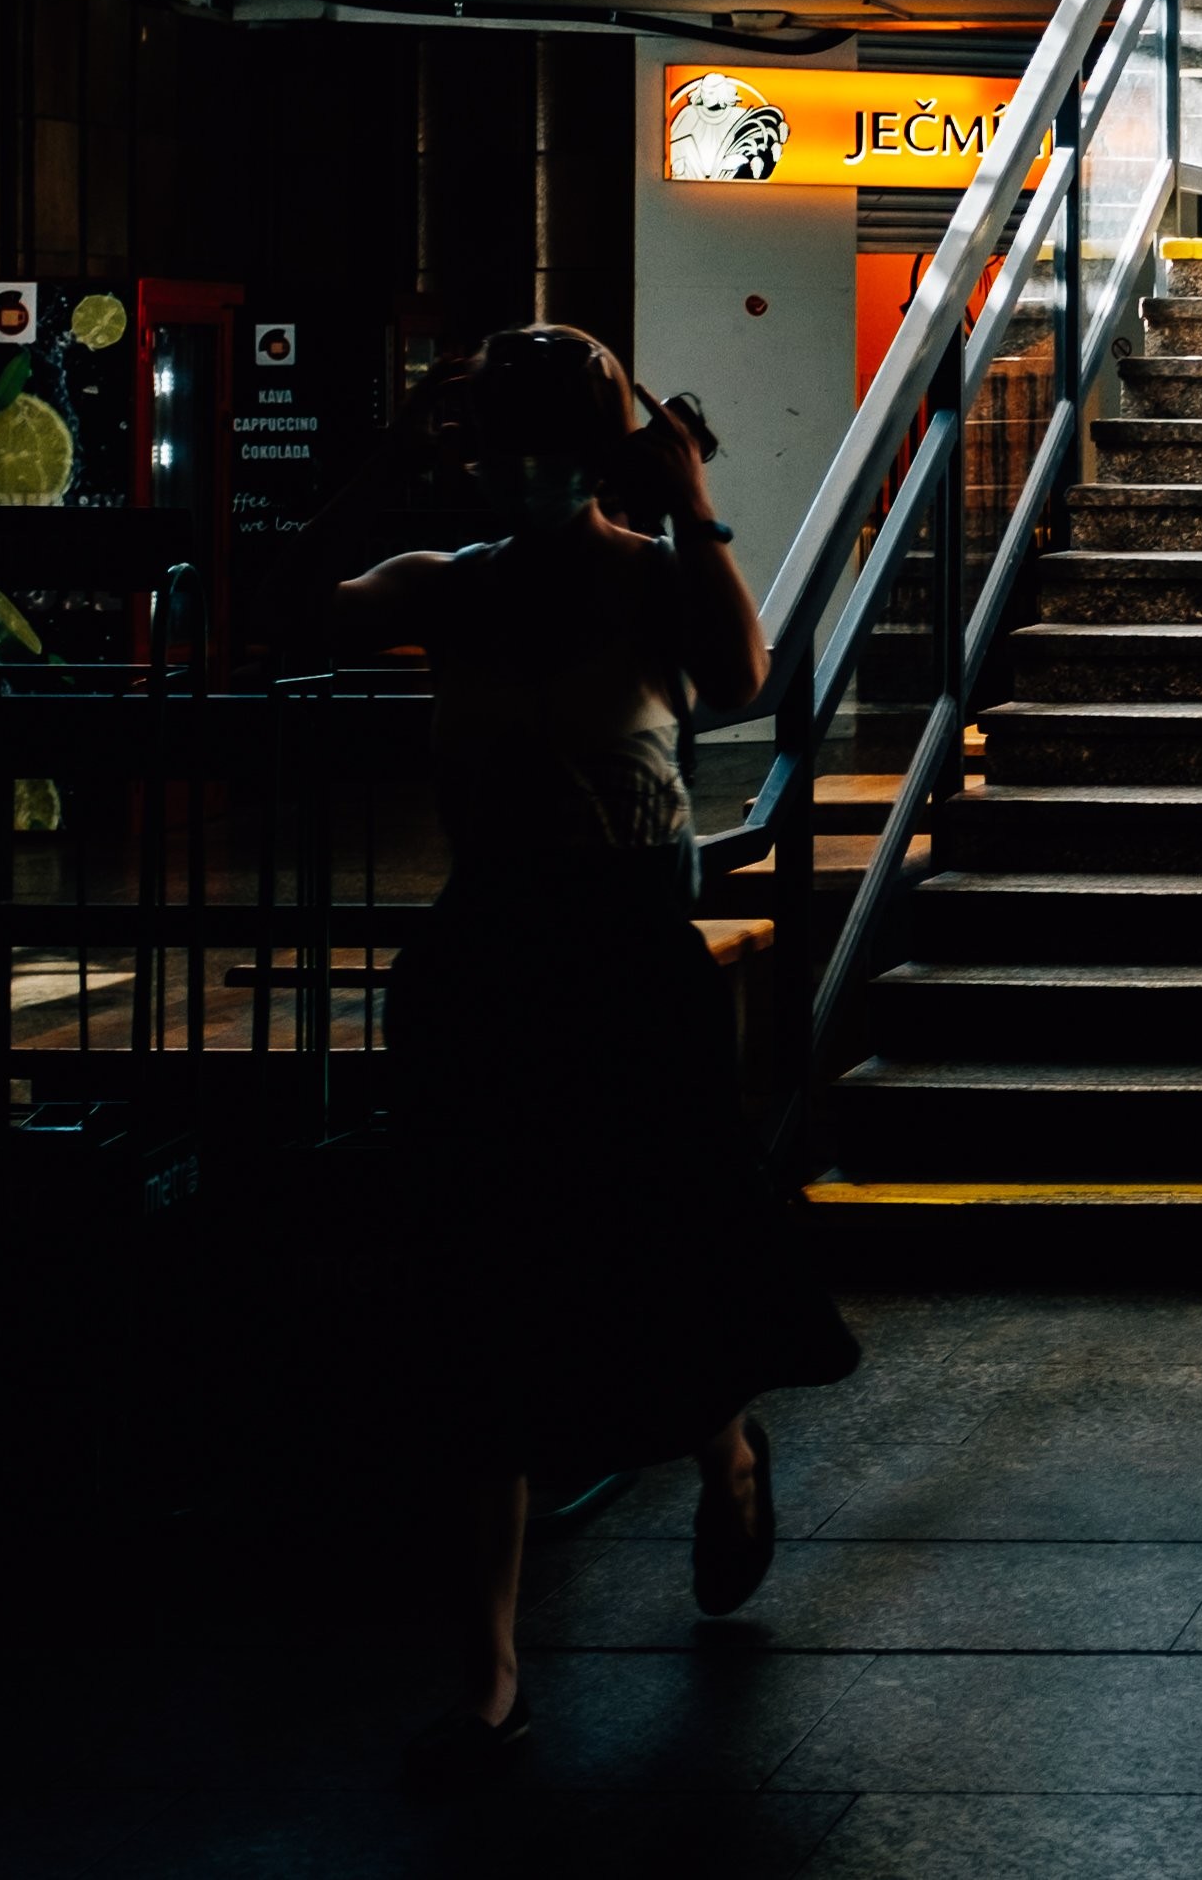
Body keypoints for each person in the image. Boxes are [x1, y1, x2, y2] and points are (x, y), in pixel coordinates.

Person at [343, 328, 855, 1791]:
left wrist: (683, 499)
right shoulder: (465, 583)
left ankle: (719, 1446)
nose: (521, 469)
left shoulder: (626, 575)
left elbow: (745, 669)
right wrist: (675, 485)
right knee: (495, 1290)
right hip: (540, 949)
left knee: (642, 1249)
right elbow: (316, 605)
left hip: (588, 952)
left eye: (534, 440)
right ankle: (495, 1669)